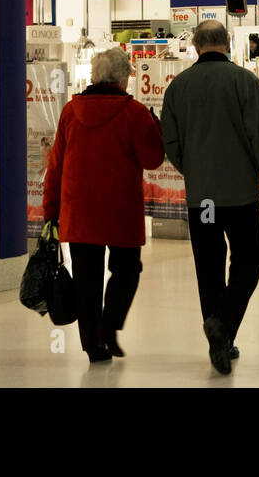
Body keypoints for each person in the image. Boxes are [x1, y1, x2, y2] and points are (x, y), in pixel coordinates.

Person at [161, 21, 259, 375]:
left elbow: (170, 144)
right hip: (239, 197)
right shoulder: (245, 83)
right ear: (227, 44)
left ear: (195, 45)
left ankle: (219, 339)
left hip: (202, 201)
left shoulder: (178, 87)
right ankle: (223, 328)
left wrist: (193, 170)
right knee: (249, 262)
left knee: (208, 267)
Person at [42, 47, 165, 363]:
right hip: (120, 207)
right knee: (127, 270)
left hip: (78, 208)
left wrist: (50, 212)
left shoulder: (71, 111)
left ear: (94, 76)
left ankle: (92, 346)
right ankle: (109, 326)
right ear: (124, 78)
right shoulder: (134, 112)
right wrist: (156, 126)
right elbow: (152, 160)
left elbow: (55, 166)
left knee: (86, 277)